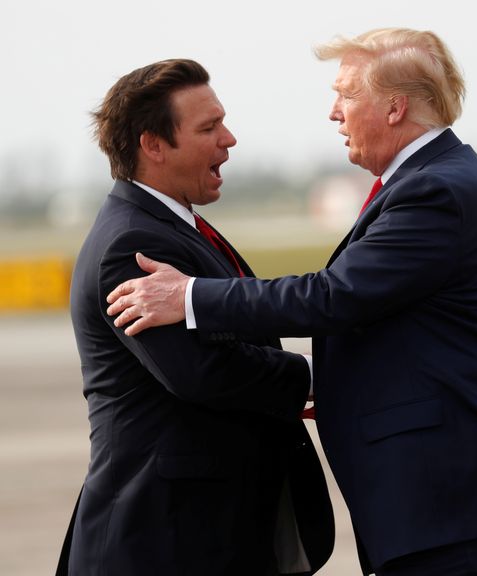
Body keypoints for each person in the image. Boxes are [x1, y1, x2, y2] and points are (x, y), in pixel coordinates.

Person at [104, 28, 477, 576]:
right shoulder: (433, 181)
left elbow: (335, 295)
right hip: (449, 500)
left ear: (395, 107)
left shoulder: (434, 190)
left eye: (346, 95)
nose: (334, 113)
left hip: (453, 499)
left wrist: (189, 296)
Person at [59, 59, 334, 575]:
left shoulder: (178, 226)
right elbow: (201, 371)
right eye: (208, 128)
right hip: (162, 540)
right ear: (154, 145)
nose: (228, 139)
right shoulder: (133, 243)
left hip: (211, 533)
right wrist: (316, 376)